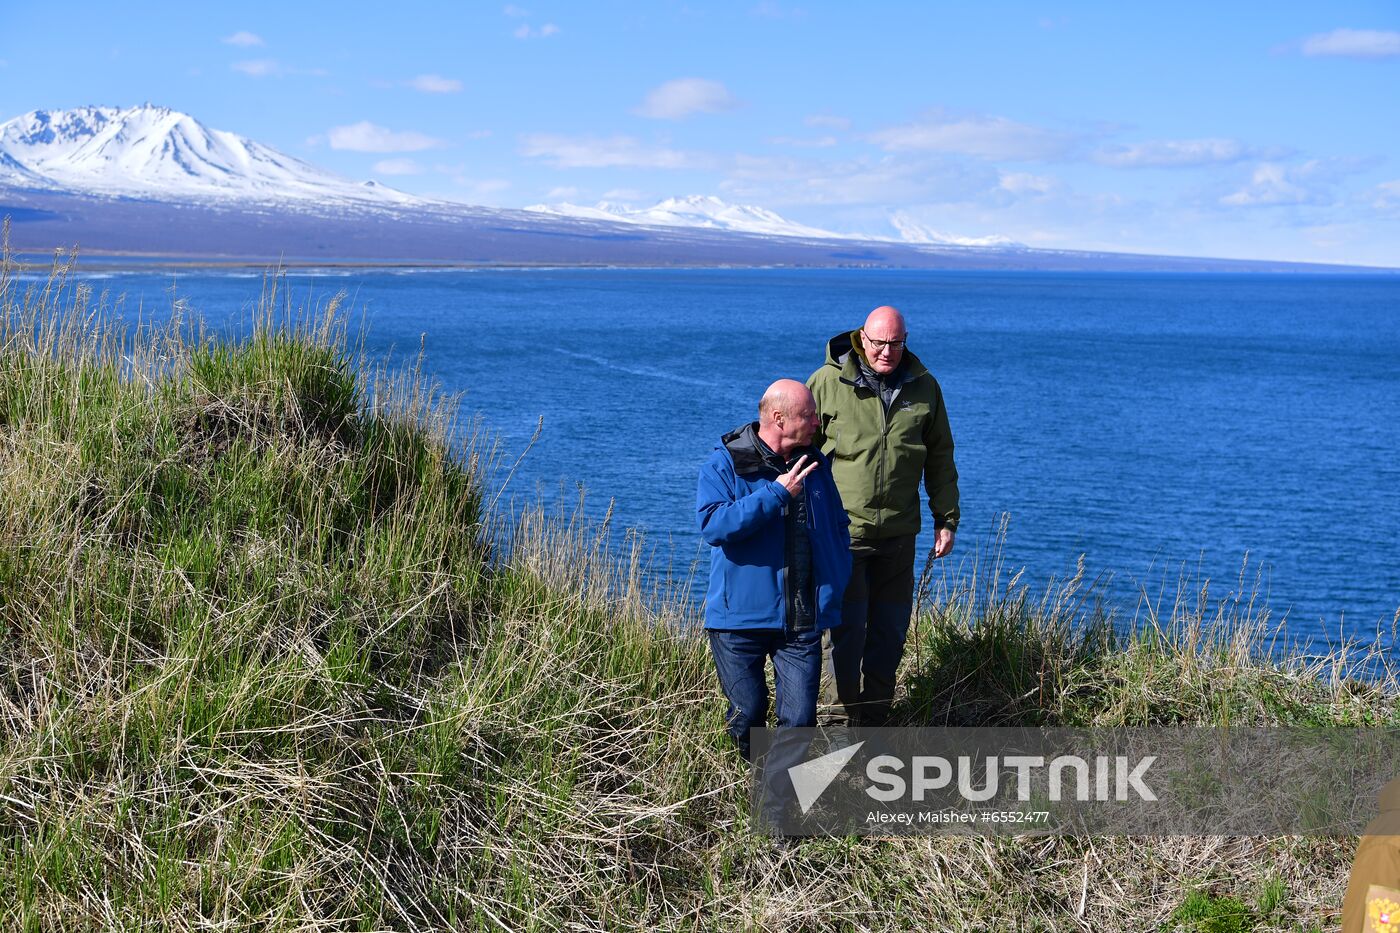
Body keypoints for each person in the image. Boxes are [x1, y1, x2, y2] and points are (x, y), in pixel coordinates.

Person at [807, 305, 959, 726]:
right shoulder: (826, 382)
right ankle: (836, 731)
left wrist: (946, 519)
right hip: (843, 535)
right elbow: (799, 453)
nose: (886, 352)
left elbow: (941, 458)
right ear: (862, 338)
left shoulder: (925, 387)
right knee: (842, 636)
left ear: (905, 341)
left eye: (896, 343)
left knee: (888, 636)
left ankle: (874, 728)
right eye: (878, 343)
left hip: (898, 537)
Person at [697, 379, 852, 762]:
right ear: (779, 419)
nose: (817, 422)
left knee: (799, 721)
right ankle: (748, 781)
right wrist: (775, 494)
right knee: (746, 715)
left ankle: (776, 811)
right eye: (809, 415)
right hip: (738, 621)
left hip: (801, 621)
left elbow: (836, 528)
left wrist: (835, 584)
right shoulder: (726, 462)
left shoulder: (815, 465)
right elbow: (714, 526)